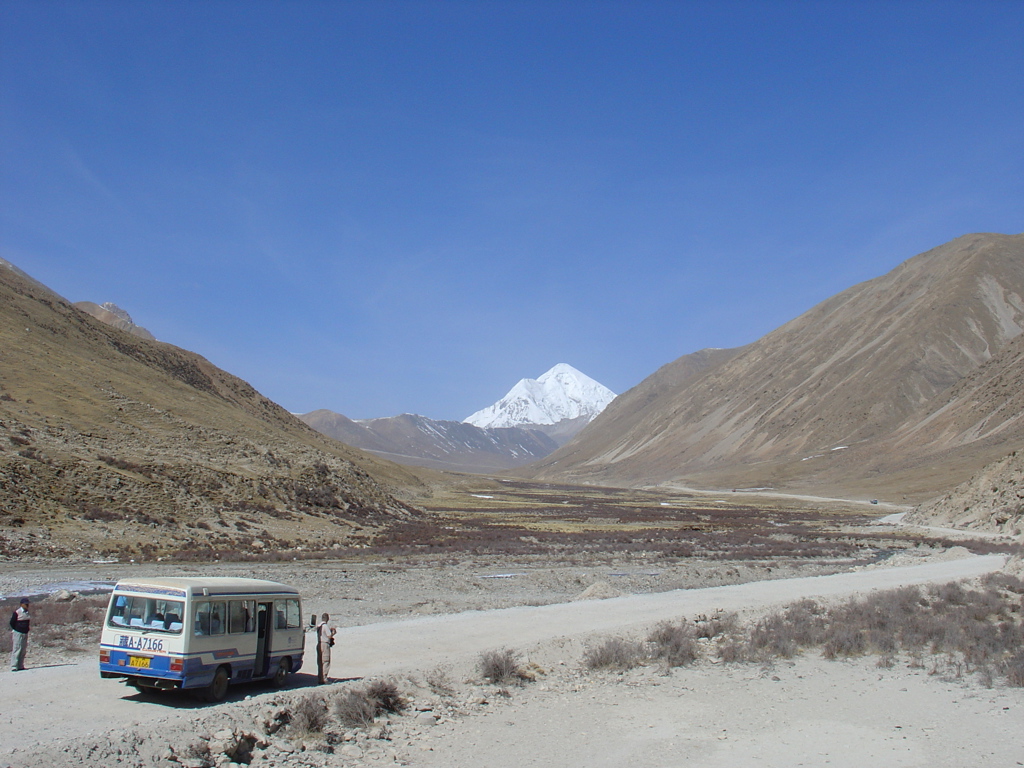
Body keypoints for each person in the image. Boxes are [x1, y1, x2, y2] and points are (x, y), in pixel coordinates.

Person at [9, 597, 30, 671]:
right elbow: (12, 622)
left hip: (25, 633)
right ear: (21, 604)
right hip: (18, 633)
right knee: (17, 648)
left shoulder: (27, 612)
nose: (27, 605)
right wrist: (17, 629)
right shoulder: (17, 612)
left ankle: (20, 665)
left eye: (27, 604)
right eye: (25, 604)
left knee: (23, 649)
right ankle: (14, 666)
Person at [317, 612, 336, 684]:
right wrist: (333, 632)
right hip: (325, 644)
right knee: (325, 661)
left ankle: (320, 678)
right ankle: (324, 678)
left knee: (320, 662)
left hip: (319, 643)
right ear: (327, 618)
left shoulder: (319, 626)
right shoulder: (325, 626)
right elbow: (329, 636)